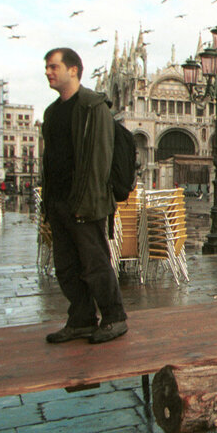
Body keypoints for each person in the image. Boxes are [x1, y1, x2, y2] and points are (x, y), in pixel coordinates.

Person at [41, 47, 128, 345]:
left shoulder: (94, 106)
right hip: (58, 201)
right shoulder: (52, 113)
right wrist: (49, 202)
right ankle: (80, 319)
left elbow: (100, 160)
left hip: (85, 202)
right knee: (66, 266)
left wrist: (86, 203)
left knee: (95, 264)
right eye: (47, 68)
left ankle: (114, 317)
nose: (48, 72)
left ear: (74, 70)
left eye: (54, 67)